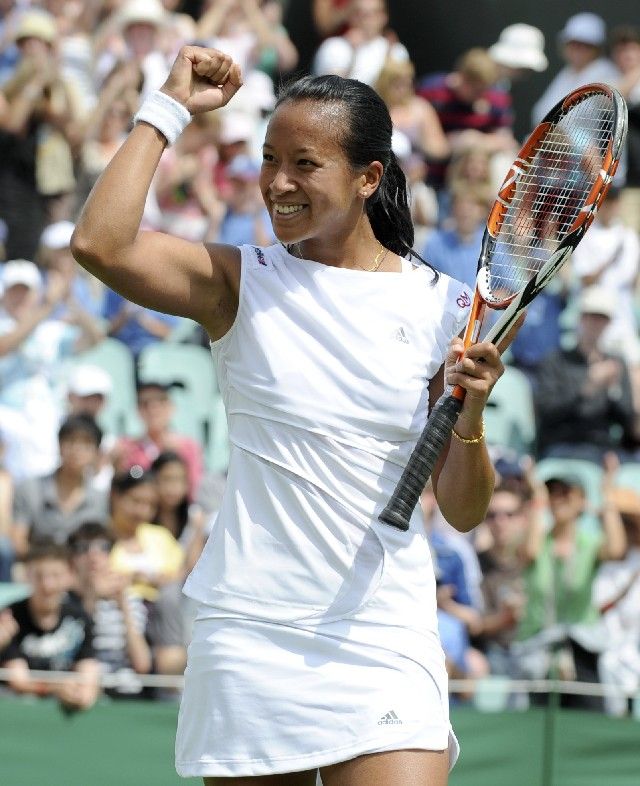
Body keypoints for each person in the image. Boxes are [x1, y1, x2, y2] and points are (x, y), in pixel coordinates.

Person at [70, 45, 517, 785]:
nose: (277, 182)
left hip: (383, 632)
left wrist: (470, 416)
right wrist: (168, 107)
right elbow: (100, 243)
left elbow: (464, 511)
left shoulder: (448, 310)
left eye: (304, 164)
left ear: (369, 178)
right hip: (250, 631)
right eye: (270, 158)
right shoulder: (239, 281)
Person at [534, 286, 638, 461]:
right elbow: (547, 412)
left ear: (608, 323)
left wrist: (614, 390)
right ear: (582, 318)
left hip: (602, 448)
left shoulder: (615, 363)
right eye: (592, 316)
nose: (596, 324)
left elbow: (626, 420)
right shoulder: (556, 361)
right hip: (562, 445)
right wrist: (587, 388)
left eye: (602, 318)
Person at [0, 540, 101, 712]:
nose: (47, 585)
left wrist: (86, 692)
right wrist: (56, 688)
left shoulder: (80, 618)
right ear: (27, 575)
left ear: (69, 576)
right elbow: (19, 680)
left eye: (55, 576)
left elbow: (88, 670)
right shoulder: (10, 618)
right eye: (39, 576)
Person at [67, 521, 153, 698]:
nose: (93, 555)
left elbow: (142, 664)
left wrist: (123, 605)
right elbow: (70, 654)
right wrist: (92, 598)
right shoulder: (63, 600)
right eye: (83, 548)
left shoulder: (129, 600)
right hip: (81, 691)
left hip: (125, 692)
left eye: (103, 547)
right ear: (72, 558)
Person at [10, 413, 109, 560]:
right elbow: (18, 541)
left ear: (96, 452)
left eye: (86, 444)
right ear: (59, 444)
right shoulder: (30, 489)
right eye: (70, 441)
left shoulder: (100, 499)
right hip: (37, 569)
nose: (76, 449)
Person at [531, 12, 620, 127]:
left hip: (586, 144)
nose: (578, 49)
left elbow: (612, 101)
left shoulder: (604, 70)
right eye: (574, 43)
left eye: (586, 45)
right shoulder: (567, 72)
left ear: (597, 48)